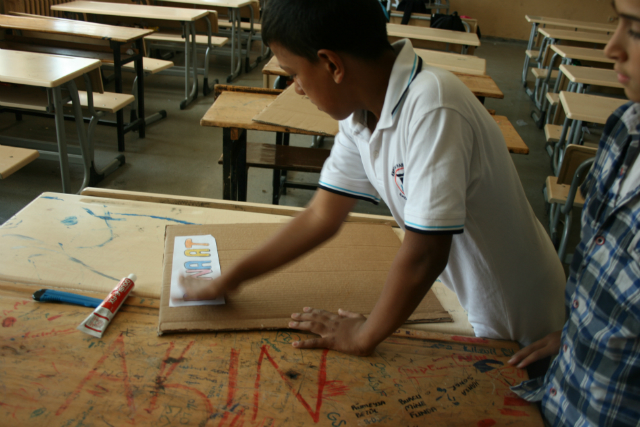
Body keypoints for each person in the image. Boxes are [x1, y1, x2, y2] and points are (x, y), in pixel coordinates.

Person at [180, 0, 565, 356]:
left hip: (521, 324)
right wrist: (231, 278)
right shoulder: (361, 116)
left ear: (332, 64)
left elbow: (426, 254)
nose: (295, 89)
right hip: (470, 302)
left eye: (294, 74)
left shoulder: (433, 105)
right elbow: (321, 216)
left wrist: (364, 335)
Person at [508, 0, 640, 424]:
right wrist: (575, 337)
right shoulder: (625, 131)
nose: (612, 46)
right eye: (615, 22)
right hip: (565, 398)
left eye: (635, 29)